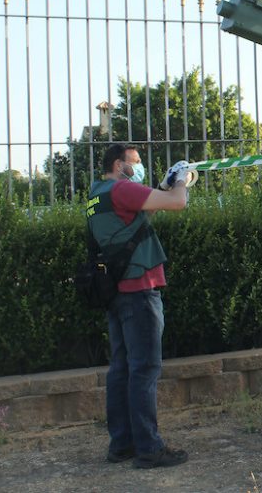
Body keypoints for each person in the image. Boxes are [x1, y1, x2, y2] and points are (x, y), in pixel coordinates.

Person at [88, 144, 190, 470]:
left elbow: (139, 219)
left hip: (117, 293)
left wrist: (163, 185)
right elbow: (178, 202)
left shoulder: (98, 194)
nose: (140, 167)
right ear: (120, 165)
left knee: (121, 369)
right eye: (136, 162)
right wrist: (183, 179)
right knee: (144, 369)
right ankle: (149, 448)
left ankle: (122, 444)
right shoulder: (122, 189)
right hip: (140, 291)